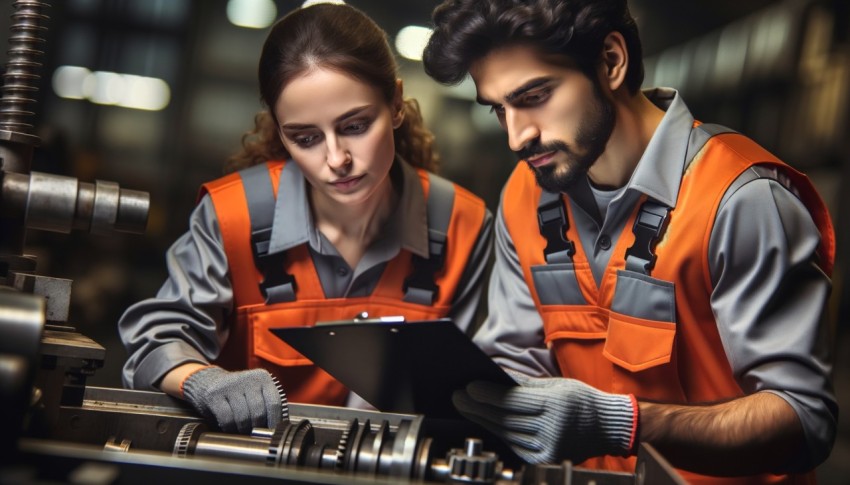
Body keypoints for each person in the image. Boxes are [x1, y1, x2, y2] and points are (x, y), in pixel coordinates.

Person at [422, 0, 836, 482]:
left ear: (612, 61)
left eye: (534, 96)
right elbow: (517, 359)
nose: (517, 136)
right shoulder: (524, 195)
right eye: (499, 109)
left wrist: (621, 424)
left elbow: (804, 421)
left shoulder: (740, 198)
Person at [118, 3, 492, 435]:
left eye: (355, 126)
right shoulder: (234, 216)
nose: (336, 159)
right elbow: (157, 340)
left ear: (395, 103)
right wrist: (200, 379)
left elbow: (474, 391)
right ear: (281, 133)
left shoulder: (462, 226)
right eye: (306, 138)